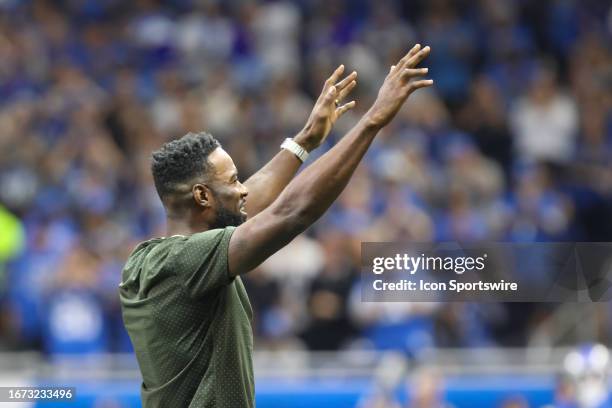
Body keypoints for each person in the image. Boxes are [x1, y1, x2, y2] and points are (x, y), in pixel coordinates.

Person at [119, 43, 432, 407]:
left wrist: (304, 142)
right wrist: (372, 120)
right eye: (233, 180)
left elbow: (250, 199)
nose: (242, 189)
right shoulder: (181, 262)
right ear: (203, 197)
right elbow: (290, 212)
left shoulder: (153, 259)